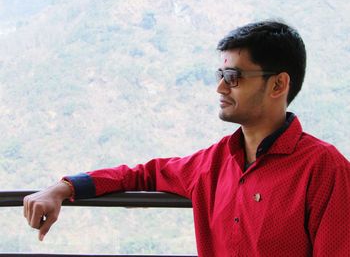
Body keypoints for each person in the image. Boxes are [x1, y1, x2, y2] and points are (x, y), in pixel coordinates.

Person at [24, 20, 350, 256]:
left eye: (233, 77)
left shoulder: (324, 169)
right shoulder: (211, 164)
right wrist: (63, 188)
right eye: (220, 76)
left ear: (278, 85)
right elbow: (141, 174)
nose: (220, 88)